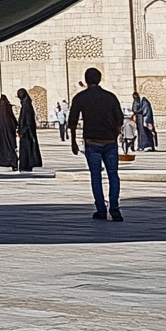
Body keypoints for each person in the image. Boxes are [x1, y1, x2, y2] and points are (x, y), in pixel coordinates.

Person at [68, 67, 124, 221]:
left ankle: (101, 209)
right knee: (113, 175)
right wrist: (115, 135)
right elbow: (119, 119)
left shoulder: (80, 97)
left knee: (96, 176)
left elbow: (72, 121)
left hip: (92, 141)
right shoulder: (110, 97)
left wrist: (73, 141)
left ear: (86, 80)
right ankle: (115, 209)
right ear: (100, 79)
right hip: (110, 141)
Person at [16, 88, 43, 171]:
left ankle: (27, 164)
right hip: (26, 130)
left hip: (26, 131)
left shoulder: (26, 105)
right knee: (26, 148)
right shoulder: (25, 104)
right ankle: (26, 163)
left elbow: (27, 119)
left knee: (27, 148)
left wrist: (23, 130)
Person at [0, 94, 17, 170]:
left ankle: (5, 161)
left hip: (1, 129)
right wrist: (16, 124)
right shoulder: (8, 106)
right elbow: (12, 117)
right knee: (10, 145)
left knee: (3, 146)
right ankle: (13, 161)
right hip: (9, 128)